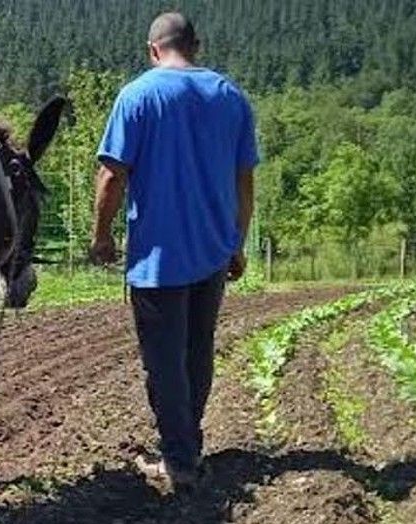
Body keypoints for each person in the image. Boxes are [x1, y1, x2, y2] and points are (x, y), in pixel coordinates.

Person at [89, 11, 259, 492]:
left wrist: (101, 235)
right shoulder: (231, 97)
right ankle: (188, 444)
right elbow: (244, 180)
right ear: (196, 45)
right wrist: (237, 244)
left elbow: (111, 175)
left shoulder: (138, 95)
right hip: (212, 251)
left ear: (152, 50)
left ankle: (180, 460)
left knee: (163, 361)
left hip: (158, 258)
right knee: (196, 351)